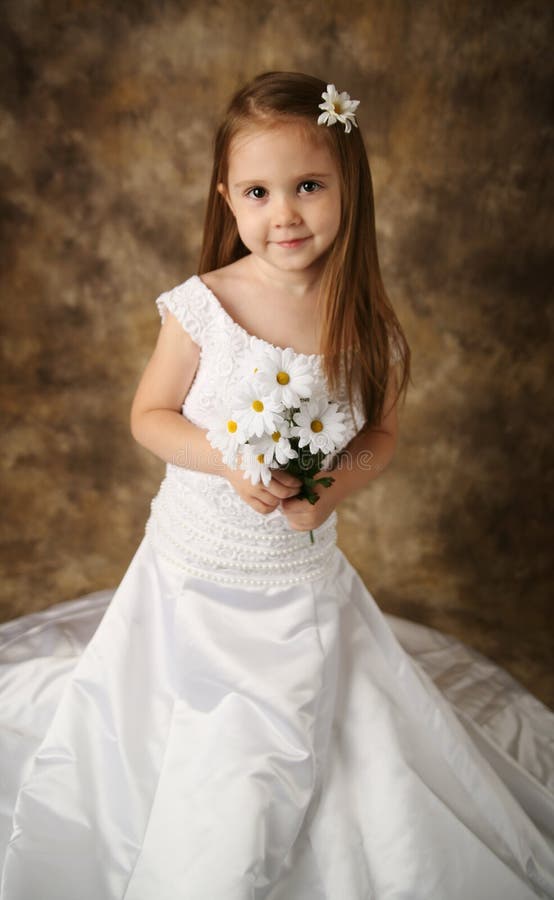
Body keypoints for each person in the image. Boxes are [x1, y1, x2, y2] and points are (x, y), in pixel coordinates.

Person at [0, 71, 552, 900]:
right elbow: (149, 416)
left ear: (347, 189)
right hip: (186, 581)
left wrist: (327, 488)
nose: (284, 213)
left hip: (295, 589)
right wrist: (225, 456)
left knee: (291, 753)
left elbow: (380, 436)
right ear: (227, 199)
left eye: (308, 187)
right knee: (170, 748)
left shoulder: (364, 321)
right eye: (258, 192)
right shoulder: (204, 307)